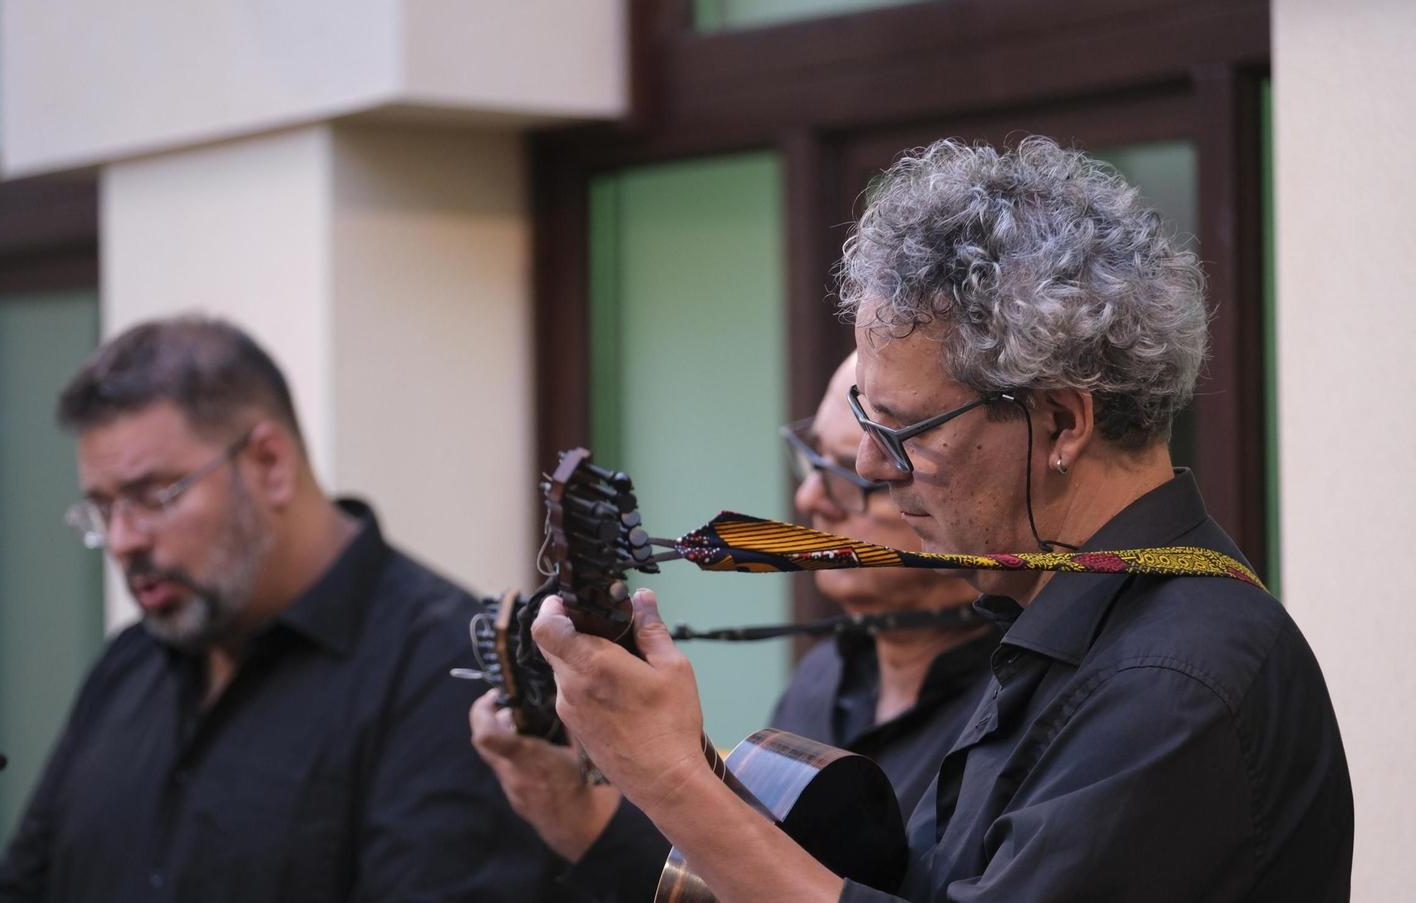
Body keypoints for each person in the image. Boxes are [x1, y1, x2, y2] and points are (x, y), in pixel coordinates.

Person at [526, 137, 1353, 902]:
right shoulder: (1057, 625)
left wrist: (672, 778)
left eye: (903, 430)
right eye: (863, 420)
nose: (868, 468)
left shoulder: (1173, 685)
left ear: (1062, 423)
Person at [0, 317, 553, 903]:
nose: (124, 539)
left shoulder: (448, 671)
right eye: (103, 508)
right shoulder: (128, 666)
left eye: (154, 496)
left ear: (270, 465)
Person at [470, 352, 991, 902]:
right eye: (811, 458)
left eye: (851, 474)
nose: (809, 497)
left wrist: (617, 808)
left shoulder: (1018, 700)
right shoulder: (821, 678)